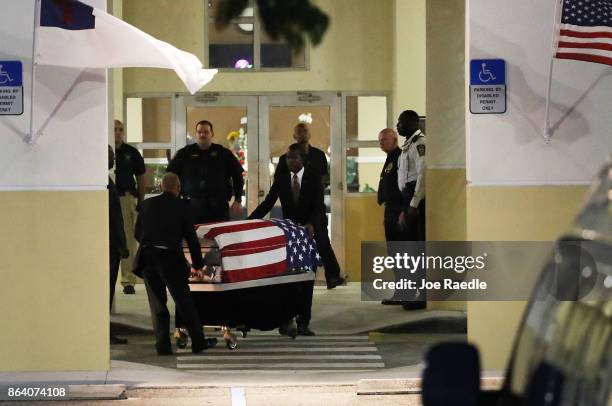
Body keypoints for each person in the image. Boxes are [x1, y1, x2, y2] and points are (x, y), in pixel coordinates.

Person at [134, 173, 217, 355]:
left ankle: (162, 346)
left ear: (162, 187)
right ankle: (198, 342)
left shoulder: (146, 205)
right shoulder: (182, 206)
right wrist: (197, 264)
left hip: (148, 257)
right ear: (178, 188)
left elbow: (137, 233)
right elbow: (191, 237)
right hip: (170, 258)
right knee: (184, 302)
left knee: (158, 304)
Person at [275, 123, 344, 289]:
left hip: (315, 206)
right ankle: (302, 279)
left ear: (310, 134)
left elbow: (323, 180)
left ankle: (332, 276)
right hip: (295, 209)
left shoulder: (319, 155)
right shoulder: (286, 157)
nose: (302, 134)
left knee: (322, 242)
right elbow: (280, 180)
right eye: (298, 131)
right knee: (300, 245)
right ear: (294, 136)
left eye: (305, 130)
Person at [166, 119, 244, 223]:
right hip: (191, 206)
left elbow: (238, 176)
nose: (202, 135)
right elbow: (169, 176)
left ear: (212, 134)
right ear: (196, 134)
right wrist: (171, 199)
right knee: (192, 238)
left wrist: (238, 200)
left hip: (218, 207)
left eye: (206, 132)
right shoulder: (184, 153)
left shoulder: (223, 153)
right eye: (199, 132)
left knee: (219, 237)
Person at [376, 129, 411, 305]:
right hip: (391, 210)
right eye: (379, 140)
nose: (380, 143)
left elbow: (404, 186)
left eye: (384, 139)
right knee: (394, 253)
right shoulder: (390, 157)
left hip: (398, 210)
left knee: (401, 253)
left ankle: (406, 292)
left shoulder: (400, 156)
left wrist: (402, 212)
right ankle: (400, 291)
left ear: (394, 139)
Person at [396, 110, 427, 310]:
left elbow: (423, 175)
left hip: (417, 200)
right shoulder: (408, 145)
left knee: (419, 248)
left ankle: (422, 295)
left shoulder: (420, 144)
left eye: (401, 122)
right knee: (411, 249)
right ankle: (415, 291)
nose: (398, 125)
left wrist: (414, 204)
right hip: (407, 197)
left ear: (413, 122)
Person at [114, 119, 146, 295]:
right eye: (114, 129)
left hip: (126, 198)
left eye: (121, 129)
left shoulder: (131, 153)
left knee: (127, 239)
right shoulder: (103, 151)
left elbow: (141, 176)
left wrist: (141, 200)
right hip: (107, 199)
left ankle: (128, 280)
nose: (118, 132)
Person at [107, 145, 130, 345]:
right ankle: (105, 331)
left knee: (108, 291)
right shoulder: (104, 185)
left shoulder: (107, 182)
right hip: (109, 247)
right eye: (110, 156)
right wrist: (121, 245)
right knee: (106, 290)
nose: (114, 159)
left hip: (111, 246)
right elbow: (113, 220)